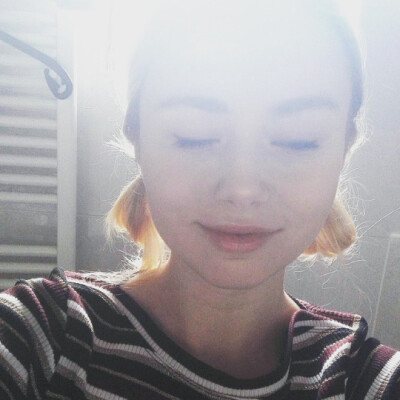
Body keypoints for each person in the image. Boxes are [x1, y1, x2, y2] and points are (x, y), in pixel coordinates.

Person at [1, 1, 399, 399]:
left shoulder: (359, 380)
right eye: (194, 135)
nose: (242, 189)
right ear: (137, 134)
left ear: (344, 149)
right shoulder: (43, 334)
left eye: (299, 139)